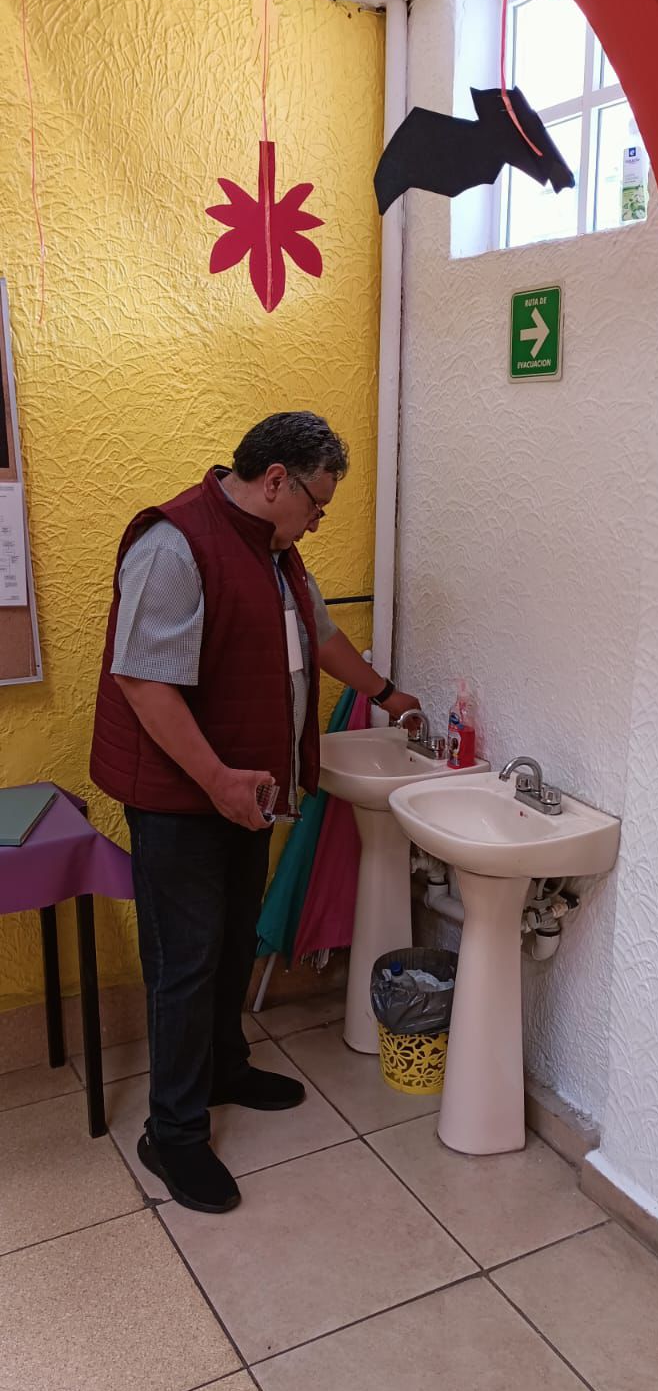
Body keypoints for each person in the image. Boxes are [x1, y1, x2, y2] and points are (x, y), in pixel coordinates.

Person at [90, 411, 421, 1214]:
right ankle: (173, 1132)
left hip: (245, 792)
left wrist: (385, 694)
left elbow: (323, 637)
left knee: (234, 935)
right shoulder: (174, 545)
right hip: (181, 797)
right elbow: (143, 681)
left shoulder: (276, 555)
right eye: (316, 504)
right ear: (276, 480)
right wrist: (215, 779)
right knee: (185, 960)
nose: (318, 520)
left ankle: (223, 1068)